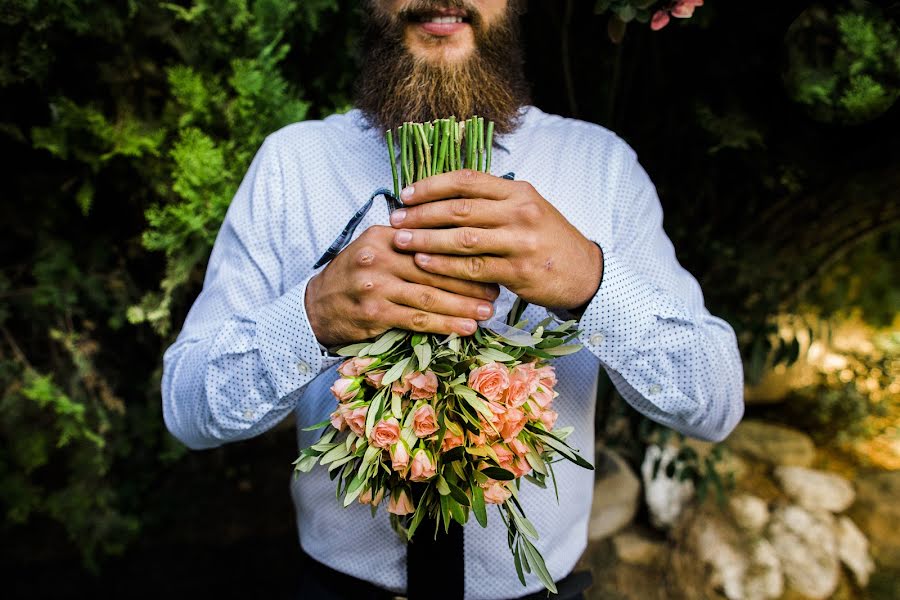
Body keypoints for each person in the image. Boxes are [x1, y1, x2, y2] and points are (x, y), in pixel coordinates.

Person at [161, 1, 745, 598]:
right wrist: (309, 318)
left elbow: (716, 403)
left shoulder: (601, 167)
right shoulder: (294, 164)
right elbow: (186, 410)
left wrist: (592, 283)